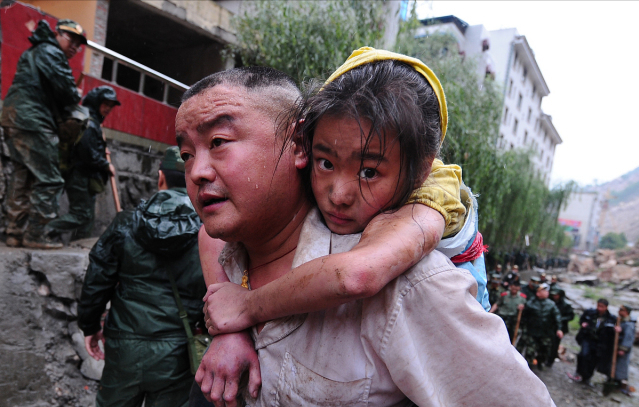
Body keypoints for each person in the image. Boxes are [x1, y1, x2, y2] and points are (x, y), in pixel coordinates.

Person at [177, 51, 555, 406]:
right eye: (186, 154)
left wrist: (247, 308)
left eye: (219, 141)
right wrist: (230, 329)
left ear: (296, 143)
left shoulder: (409, 283)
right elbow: (207, 237)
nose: (196, 171)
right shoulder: (229, 254)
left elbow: (357, 275)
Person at [77, 147, 205, 407]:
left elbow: (97, 278)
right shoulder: (210, 232)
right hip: (180, 348)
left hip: (125, 343)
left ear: (160, 177)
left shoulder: (125, 223)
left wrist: (89, 325)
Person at [1, 19, 86, 249]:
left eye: (78, 44)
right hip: (33, 120)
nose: (74, 47)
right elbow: (68, 92)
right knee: (50, 179)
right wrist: (75, 92)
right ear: (57, 34)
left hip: (14, 117)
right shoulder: (50, 51)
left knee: (23, 175)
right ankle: (35, 234)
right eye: (71, 39)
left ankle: (13, 233)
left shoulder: (35, 51)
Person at [46, 86, 119, 240]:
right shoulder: (89, 124)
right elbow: (87, 153)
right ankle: (44, 230)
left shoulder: (92, 123)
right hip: (80, 176)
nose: (108, 109)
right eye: (105, 104)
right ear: (96, 102)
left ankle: (79, 244)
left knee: (87, 218)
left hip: (86, 177)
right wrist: (105, 164)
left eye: (111, 106)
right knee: (81, 215)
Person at [569, 298, 617, 386]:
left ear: (606, 307)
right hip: (587, 339)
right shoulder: (590, 313)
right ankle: (579, 372)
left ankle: (587, 377)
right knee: (583, 355)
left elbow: (612, 333)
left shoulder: (611, 318)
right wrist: (583, 324)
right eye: (598, 306)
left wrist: (615, 331)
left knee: (594, 360)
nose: (599, 308)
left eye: (602, 307)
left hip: (600, 343)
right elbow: (582, 319)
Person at [517, 283, 563, 370]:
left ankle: (540, 362)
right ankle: (528, 368)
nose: (547, 292)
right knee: (530, 352)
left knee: (544, 350)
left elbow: (557, 317)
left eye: (547, 291)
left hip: (545, 333)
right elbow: (524, 316)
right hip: (532, 332)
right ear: (538, 293)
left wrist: (559, 329)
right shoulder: (530, 303)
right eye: (544, 291)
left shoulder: (551, 304)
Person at [548, 287, 574, 367]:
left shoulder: (566, 305)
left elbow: (571, 316)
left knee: (555, 345)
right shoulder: (550, 302)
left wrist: (560, 319)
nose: (555, 296)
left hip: (560, 327)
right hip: (550, 326)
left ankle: (550, 361)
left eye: (556, 295)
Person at [613, 305, 635, 395]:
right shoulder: (621, 321)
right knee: (616, 364)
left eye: (621, 310)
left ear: (626, 312)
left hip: (623, 349)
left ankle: (621, 383)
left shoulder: (629, 324)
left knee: (621, 366)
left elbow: (628, 338)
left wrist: (623, 349)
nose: (619, 311)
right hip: (617, 347)